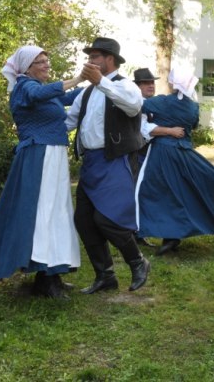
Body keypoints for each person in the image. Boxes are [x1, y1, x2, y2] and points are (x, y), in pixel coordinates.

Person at [0, 45, 84, 298]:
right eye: (40, 62)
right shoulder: (24, 87)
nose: (46, 65)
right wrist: (79, 78)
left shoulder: (43, 91)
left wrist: (98, 84)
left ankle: (51, 273)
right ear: (26, 67)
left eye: (46, 61)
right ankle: (45, 276)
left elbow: (71, 98)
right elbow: (44, 94)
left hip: (52, 155)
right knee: (41, 213)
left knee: (55, 213)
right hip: (38, 156)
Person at [65, 37, 150, 294]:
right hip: (91, 162)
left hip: (116, 159)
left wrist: (100, 82)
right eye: (89, 57)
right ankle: (105, 276)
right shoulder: (87, 91)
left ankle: (138, 262)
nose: (90, 61)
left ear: (110, 59)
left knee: (108, 218)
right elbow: (69, 122)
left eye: (95, 56)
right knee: (84, 220)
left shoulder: (127, 86)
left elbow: (134, 107)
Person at [135, 68, 214, 256]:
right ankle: (173, 233)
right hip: (185, 152)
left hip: (162, 152)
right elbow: (192, 126)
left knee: (156, 192)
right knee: (188, 191)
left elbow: (138, 107)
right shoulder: (193, 107)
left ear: (173, 83)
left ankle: (163, 233)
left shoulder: (159, 102)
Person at [133, 68, 184, 247]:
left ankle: (169, 235)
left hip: (156, 154)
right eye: (146, 83)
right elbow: (143, 128)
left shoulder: (155, 103)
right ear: (137, 86)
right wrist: (170, 130)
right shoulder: (136, 103)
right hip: (137, 155)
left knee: (161, 192)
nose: (150, 85)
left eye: (152, 82)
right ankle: (138, 233)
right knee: (143, 194)